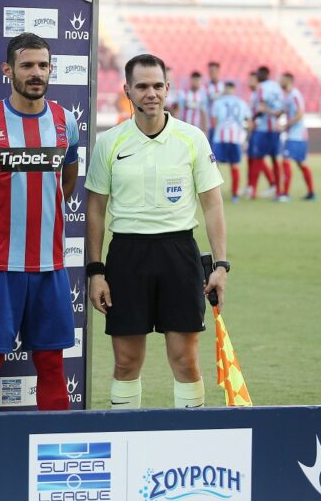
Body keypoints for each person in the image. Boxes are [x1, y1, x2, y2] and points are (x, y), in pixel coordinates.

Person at [85, 53, 228, 410]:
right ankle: (125, 437)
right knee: (126, 363)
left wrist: (221, 265)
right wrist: (96, 271)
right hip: (126, 256)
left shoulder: (192, 138)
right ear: (127, 91)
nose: (151, 93)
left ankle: (190, 436)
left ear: (168, 88)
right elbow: (95, 209)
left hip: (179, 254)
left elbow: (212, 205)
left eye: (158, 86)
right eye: (142, 86)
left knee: (185, 361)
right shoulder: (109, 142)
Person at [0, 33, 78, 412]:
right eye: (27, 65)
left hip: (50, 267)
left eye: (43, 65)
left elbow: (67, 180)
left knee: (52, 365)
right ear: (8, 70)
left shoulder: (65, 121)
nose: (36, 73)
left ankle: (54, 445)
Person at [211, 82, 251, 203]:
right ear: (234, 90)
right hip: (235, 139)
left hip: (220, 138)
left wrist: (217, 132)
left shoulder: (218, 102)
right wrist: (245, 137)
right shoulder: (242, 102)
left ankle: (214, 194)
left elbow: (214, 121)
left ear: (225, 89)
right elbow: (248, 121)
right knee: (234, 166)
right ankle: (235, 194)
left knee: (215, 166)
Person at [279, 72, 316, 201]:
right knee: (300, 163)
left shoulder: (295, 95)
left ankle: (285, 194)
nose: (280, 82)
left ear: (288, 81)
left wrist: (286, 125)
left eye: (282, 80)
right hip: (296, 135)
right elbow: (281, 112)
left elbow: (300, 114)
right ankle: (311, 193)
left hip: (296, 135)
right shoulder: (287, 96)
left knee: (286, 160)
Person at [247, 66, 283, 199]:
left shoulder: (261, 87)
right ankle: (278, 190)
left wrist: (253, 120)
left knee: (257, 158)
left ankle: (253, 190)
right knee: (274, 159)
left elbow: (261, 109)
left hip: (262, 129)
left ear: (262, 74)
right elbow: (281, 109)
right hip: (275, 128)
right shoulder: (277, 87)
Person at [177, 71, 208, 135]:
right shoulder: (183, 93)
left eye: (199, 80)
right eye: (196, 80)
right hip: (185, 127)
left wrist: (205, 129)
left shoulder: (202, 95)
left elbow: (203, 112)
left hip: (197, 127)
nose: (198, 82)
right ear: (191, 80)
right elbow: (178, 110)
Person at [205, 61, 225, 145]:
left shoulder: (223, 87)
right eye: (209, 71)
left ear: (218, 71)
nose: (211, 73)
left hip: (222, 123)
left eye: (212, 71)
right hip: (211, 123)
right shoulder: (206, 87)